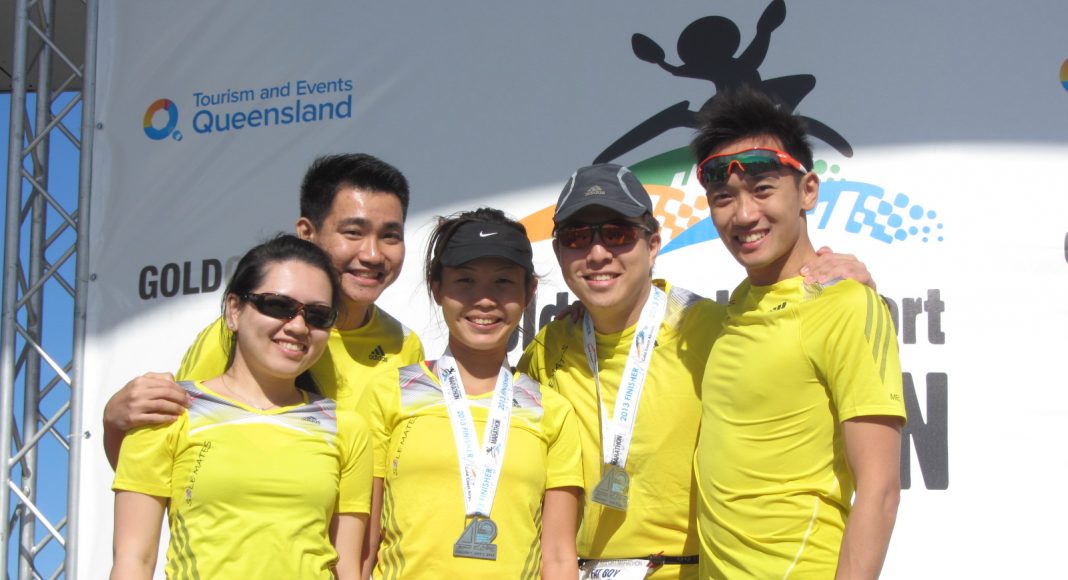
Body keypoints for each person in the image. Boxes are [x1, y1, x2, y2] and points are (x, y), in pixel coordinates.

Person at [518, 163, 873, 579]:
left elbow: (811, 343)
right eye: (577, 238)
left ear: (653, 244)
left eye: (617, 234)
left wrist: (859, 287)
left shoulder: (715, 329)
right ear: (559, 252)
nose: (597, 254)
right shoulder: (547, 349)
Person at [691, 86, 906, 579]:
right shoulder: (735, 308)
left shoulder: (845, 305)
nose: (744, 214)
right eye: (723, 198)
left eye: (763, 190)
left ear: (808, 190)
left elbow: (881, 490)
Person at [102, 153, 424, 469]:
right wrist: (113, 421)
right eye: (353, 232)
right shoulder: (242, 334)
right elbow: (169, 459)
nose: (372, 254)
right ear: (307, 233)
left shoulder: (403, 345)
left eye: (390, 236)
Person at [110, 235, 372, 579]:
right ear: (234, 310)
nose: (297, 325)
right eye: (277, 305)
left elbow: (347, 568)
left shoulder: (346, 427)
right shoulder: (168, 411)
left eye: (318, 315)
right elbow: (134, 561)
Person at [361, 208, 583, 579]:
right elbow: (363, 546)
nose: (484, 299)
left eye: (503, 281)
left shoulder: (551, 410)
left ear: (529, 291)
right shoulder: (391, 392)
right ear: (437, 288)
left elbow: (559, 557)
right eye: (465, 280)